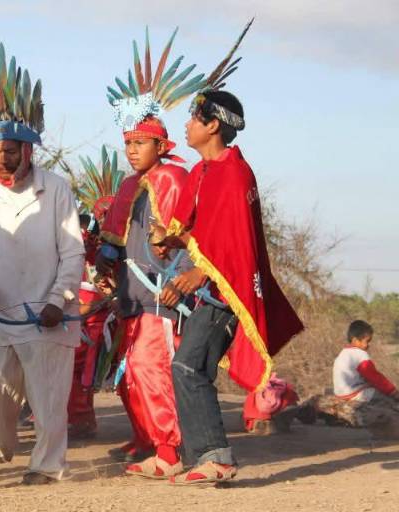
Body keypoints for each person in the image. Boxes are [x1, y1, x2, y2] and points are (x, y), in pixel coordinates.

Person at [164, 21, 304, 484]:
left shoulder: (233, 175)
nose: (185, 125)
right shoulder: (206, 172)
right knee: (189, 366)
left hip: (227, 292)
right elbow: (195, 230)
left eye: (192, 118)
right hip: (213, 289)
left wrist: (202, 275)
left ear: (211, 125)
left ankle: (216, 458)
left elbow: (237, 245)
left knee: (188, 365)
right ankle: (205, 457)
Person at [0, 43, 85, 485]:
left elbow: (74, 255)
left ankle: (48, 465)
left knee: (48, 399)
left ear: (28, 151)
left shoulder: (57, 189)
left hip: (50, 316)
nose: (3, 159)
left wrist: (56, 301)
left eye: (11, 150)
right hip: (7, 314)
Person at [95, 29, 196, 479]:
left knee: (151, 370)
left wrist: (181, 269)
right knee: (129, 373)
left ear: (161, 144)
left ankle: (170, 452)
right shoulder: (128, 186)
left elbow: (191, 239)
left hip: (162, 293)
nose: (131, 150)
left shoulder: (173, 178)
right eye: (128, 143)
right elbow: (116, 242)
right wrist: (105, 267)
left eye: (140, 143)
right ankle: (147, 439)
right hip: (132, 295)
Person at [68, 149, 123, 440]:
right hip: (76, 320)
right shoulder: (79, 252)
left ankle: (81, 420)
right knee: (69, 368)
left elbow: (115, 291)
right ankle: (76, 419)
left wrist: (103, 304)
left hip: (102, 323)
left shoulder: (113, 254)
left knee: (84, 369)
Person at [300, 321, 399, 436]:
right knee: (386, 399)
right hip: (354, 393)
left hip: (341, 393)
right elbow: (375, 377)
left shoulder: (343, 353)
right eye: (367, 341)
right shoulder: (360, 354)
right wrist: (392, 391)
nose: (368, 345)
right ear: (356, 340)